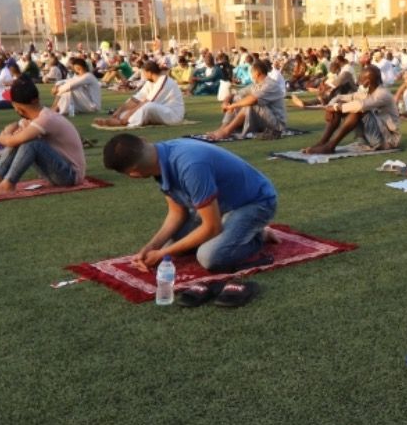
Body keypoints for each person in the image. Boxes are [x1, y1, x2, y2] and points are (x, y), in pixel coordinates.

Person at [102, 134, 279, 273]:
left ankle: (258, 235)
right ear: (143, 140)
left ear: (134, 173)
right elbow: (177, 213)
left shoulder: (190, 166)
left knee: (210, 257)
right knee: (173, 247)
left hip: (254, 203)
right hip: (221, 206)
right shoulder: (159, 157)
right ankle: (236, 230)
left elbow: (212, 228)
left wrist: (162, 254)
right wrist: (151, 247)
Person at [0, 77, 86, 197]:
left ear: (17, 106)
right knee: (22, 138)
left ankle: (8, 185)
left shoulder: (46, 119)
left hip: (70, 176)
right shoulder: (37, 117)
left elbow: (11, 141)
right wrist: (11, 130)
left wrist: (3, 136)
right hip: (60, 172)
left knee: (31, 143)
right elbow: (15, 128)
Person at [302, 65, 400, 154]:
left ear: (368, 82)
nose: (359, 80)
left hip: (386, 140)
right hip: (372, 137)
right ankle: (323, 143)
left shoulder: (383, 94)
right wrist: (330, 107)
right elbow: (341, 97)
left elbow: (361, 106)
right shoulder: (369, 92)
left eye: (361, 78)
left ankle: (330, 146)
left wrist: (336, 107)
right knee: (341, 106)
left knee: (357, 110)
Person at [208, 58, 288, 140]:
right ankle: (222, 128)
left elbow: (253, 100)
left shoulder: (270, 85)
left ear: (257, 73)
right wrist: (226, 102)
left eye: (251, 72)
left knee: (251, 104)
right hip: (265, 121)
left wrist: (232, 106)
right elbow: (235, 94)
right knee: (237, 98)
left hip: (277, 125)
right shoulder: (256, 85)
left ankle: (226, 131)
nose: (251, 75)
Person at [96, 60, 186, 128]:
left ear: (149, 73)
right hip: (161, 111)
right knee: (132, 105)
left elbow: (147, 102)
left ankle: (124, 122)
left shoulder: (163, 81)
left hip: (173, 115)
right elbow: (136, 99)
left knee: (148, 106)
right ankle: (120, 119)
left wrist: (128, 116)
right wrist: (119, 111)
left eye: (144, 73)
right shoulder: (150, 82)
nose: (143, 75)